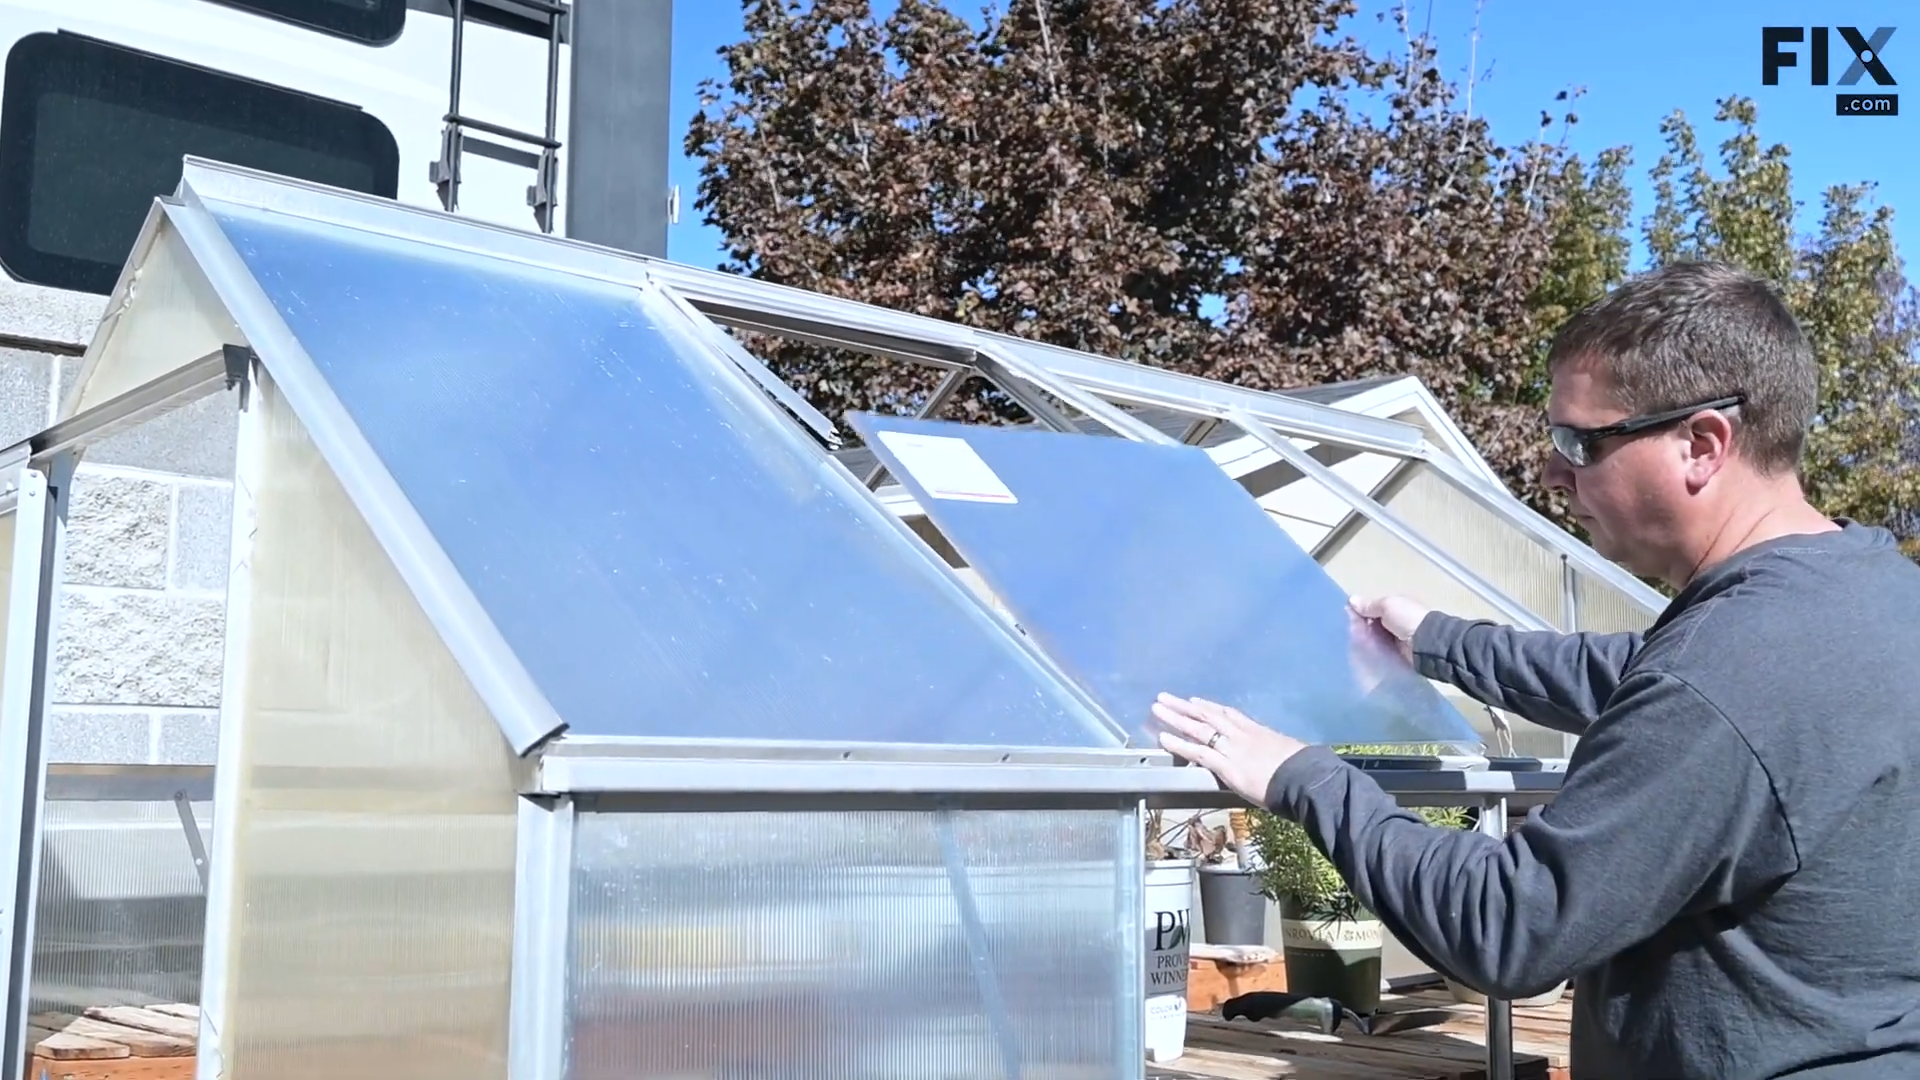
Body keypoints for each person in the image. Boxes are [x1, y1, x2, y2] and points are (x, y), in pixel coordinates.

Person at [1151, 260, 1920, 1079]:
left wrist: (1304, 775)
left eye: (1580, 442)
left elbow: (1510, 923)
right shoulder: (1869, 594)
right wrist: (1440, 641)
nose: (1553, 474)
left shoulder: (1723, 677)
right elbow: (1637, 674)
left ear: (1701, 444)